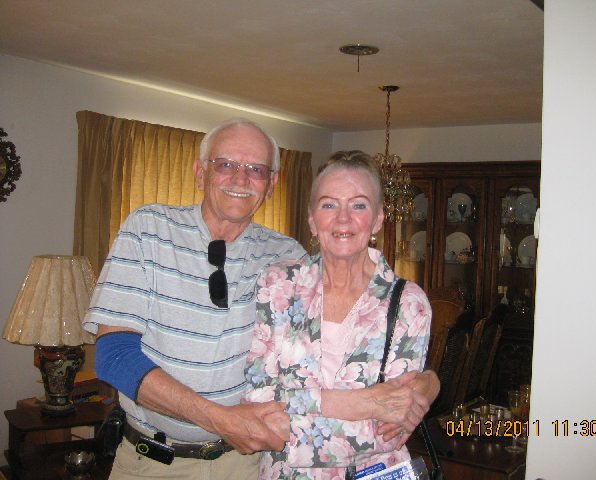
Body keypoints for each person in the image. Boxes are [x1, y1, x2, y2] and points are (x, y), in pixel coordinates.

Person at [83, 119, 308, 479]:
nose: (240, 179)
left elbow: (321, 357)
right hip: (151, 464)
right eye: (225, 165)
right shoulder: (149, 229)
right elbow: (114, 358)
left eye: (256, 169)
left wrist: (408, 391)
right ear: (201, 174)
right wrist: (222, 421)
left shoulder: (288, 257)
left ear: (272, 184)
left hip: (244, 466)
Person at [244, 150, 438, 479]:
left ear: (378, 218)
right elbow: (257, 402)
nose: (343, 219)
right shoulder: (278, 285)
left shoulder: (408, 303)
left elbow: (389, 431)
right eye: (329, 205)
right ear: (311, 219)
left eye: (358, 205)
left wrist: (292, 421)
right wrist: (364, 403)